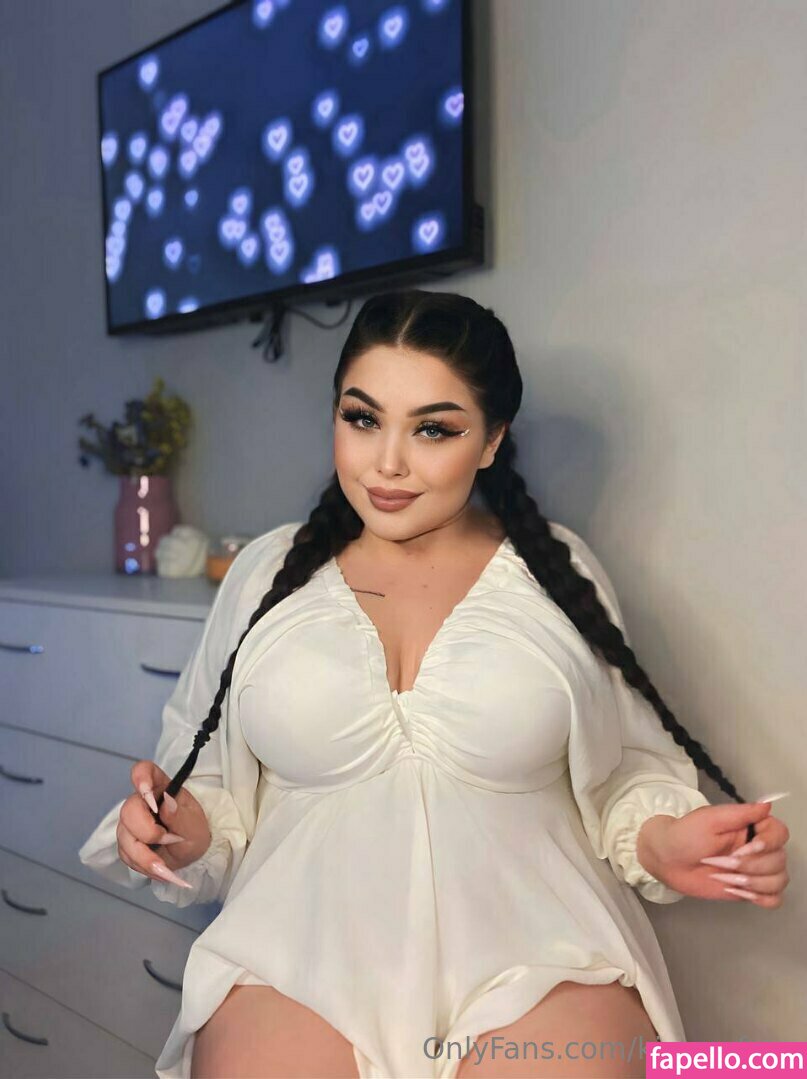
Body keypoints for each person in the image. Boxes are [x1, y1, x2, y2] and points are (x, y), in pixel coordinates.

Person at [79, 290, 789, 1079]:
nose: (386, 462)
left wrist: (665, 841)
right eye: (361, 418)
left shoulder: (555, 571)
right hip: (294, 939)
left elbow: (625, 769)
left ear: (491, 440)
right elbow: (207, 781)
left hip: (542, 945)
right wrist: (179, 829)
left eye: (432, 429)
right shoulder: (266, 574)